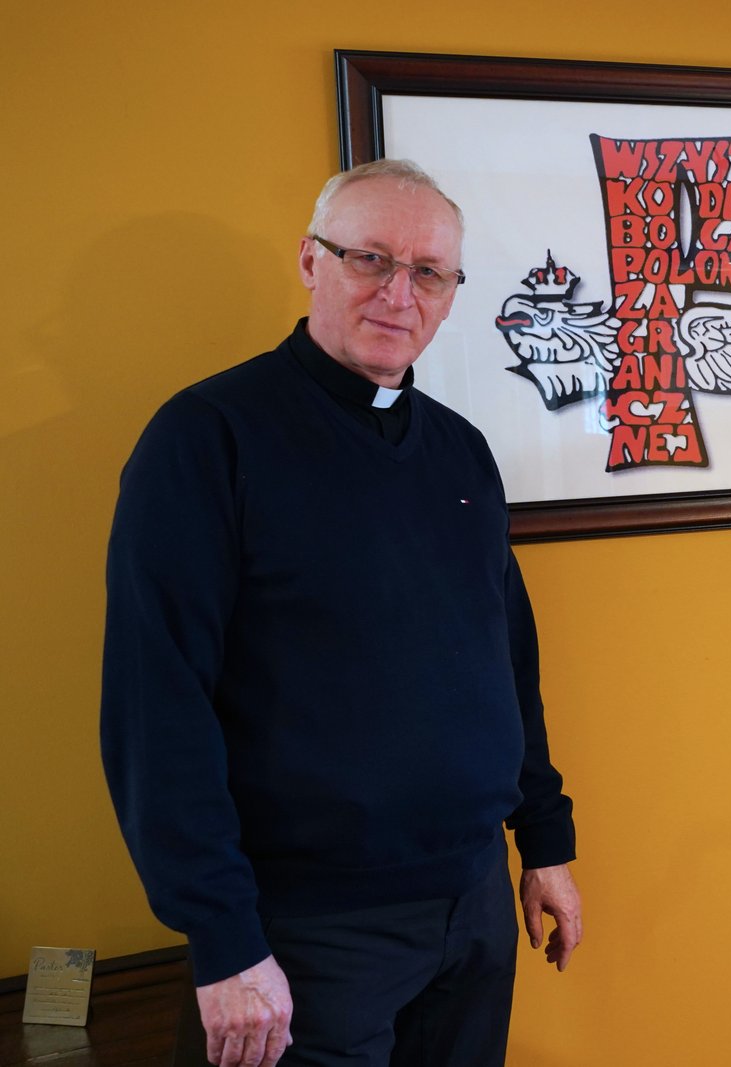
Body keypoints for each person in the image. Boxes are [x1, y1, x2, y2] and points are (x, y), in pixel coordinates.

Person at [101, 159, 582, 1067]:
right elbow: (154, 710)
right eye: (370, 258)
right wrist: (224, 938)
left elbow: (506, 662)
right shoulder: (205, 440)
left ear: (450, 293)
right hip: (302, 930)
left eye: (429, 272)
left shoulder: (460, 451)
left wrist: (543, 841)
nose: (400, 293)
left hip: (473, 905)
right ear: (310, 260)